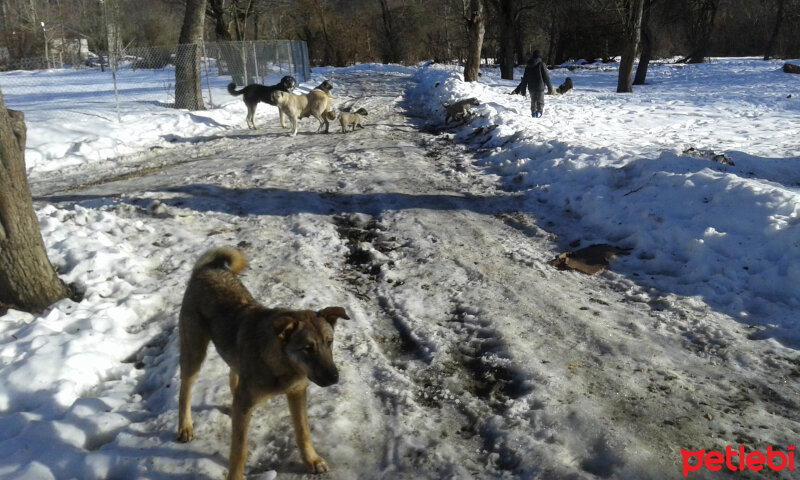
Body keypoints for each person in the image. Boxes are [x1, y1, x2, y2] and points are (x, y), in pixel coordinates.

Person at [511, 50, 554, 118]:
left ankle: (533, 113)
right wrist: (550, 88)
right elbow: (546, 77)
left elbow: (525, 79)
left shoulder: (528, 66)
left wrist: (523, 90)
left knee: (533, 101)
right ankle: (539, 113)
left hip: (531, 87)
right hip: (540, 87)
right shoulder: (541, 64)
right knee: (540, 102)